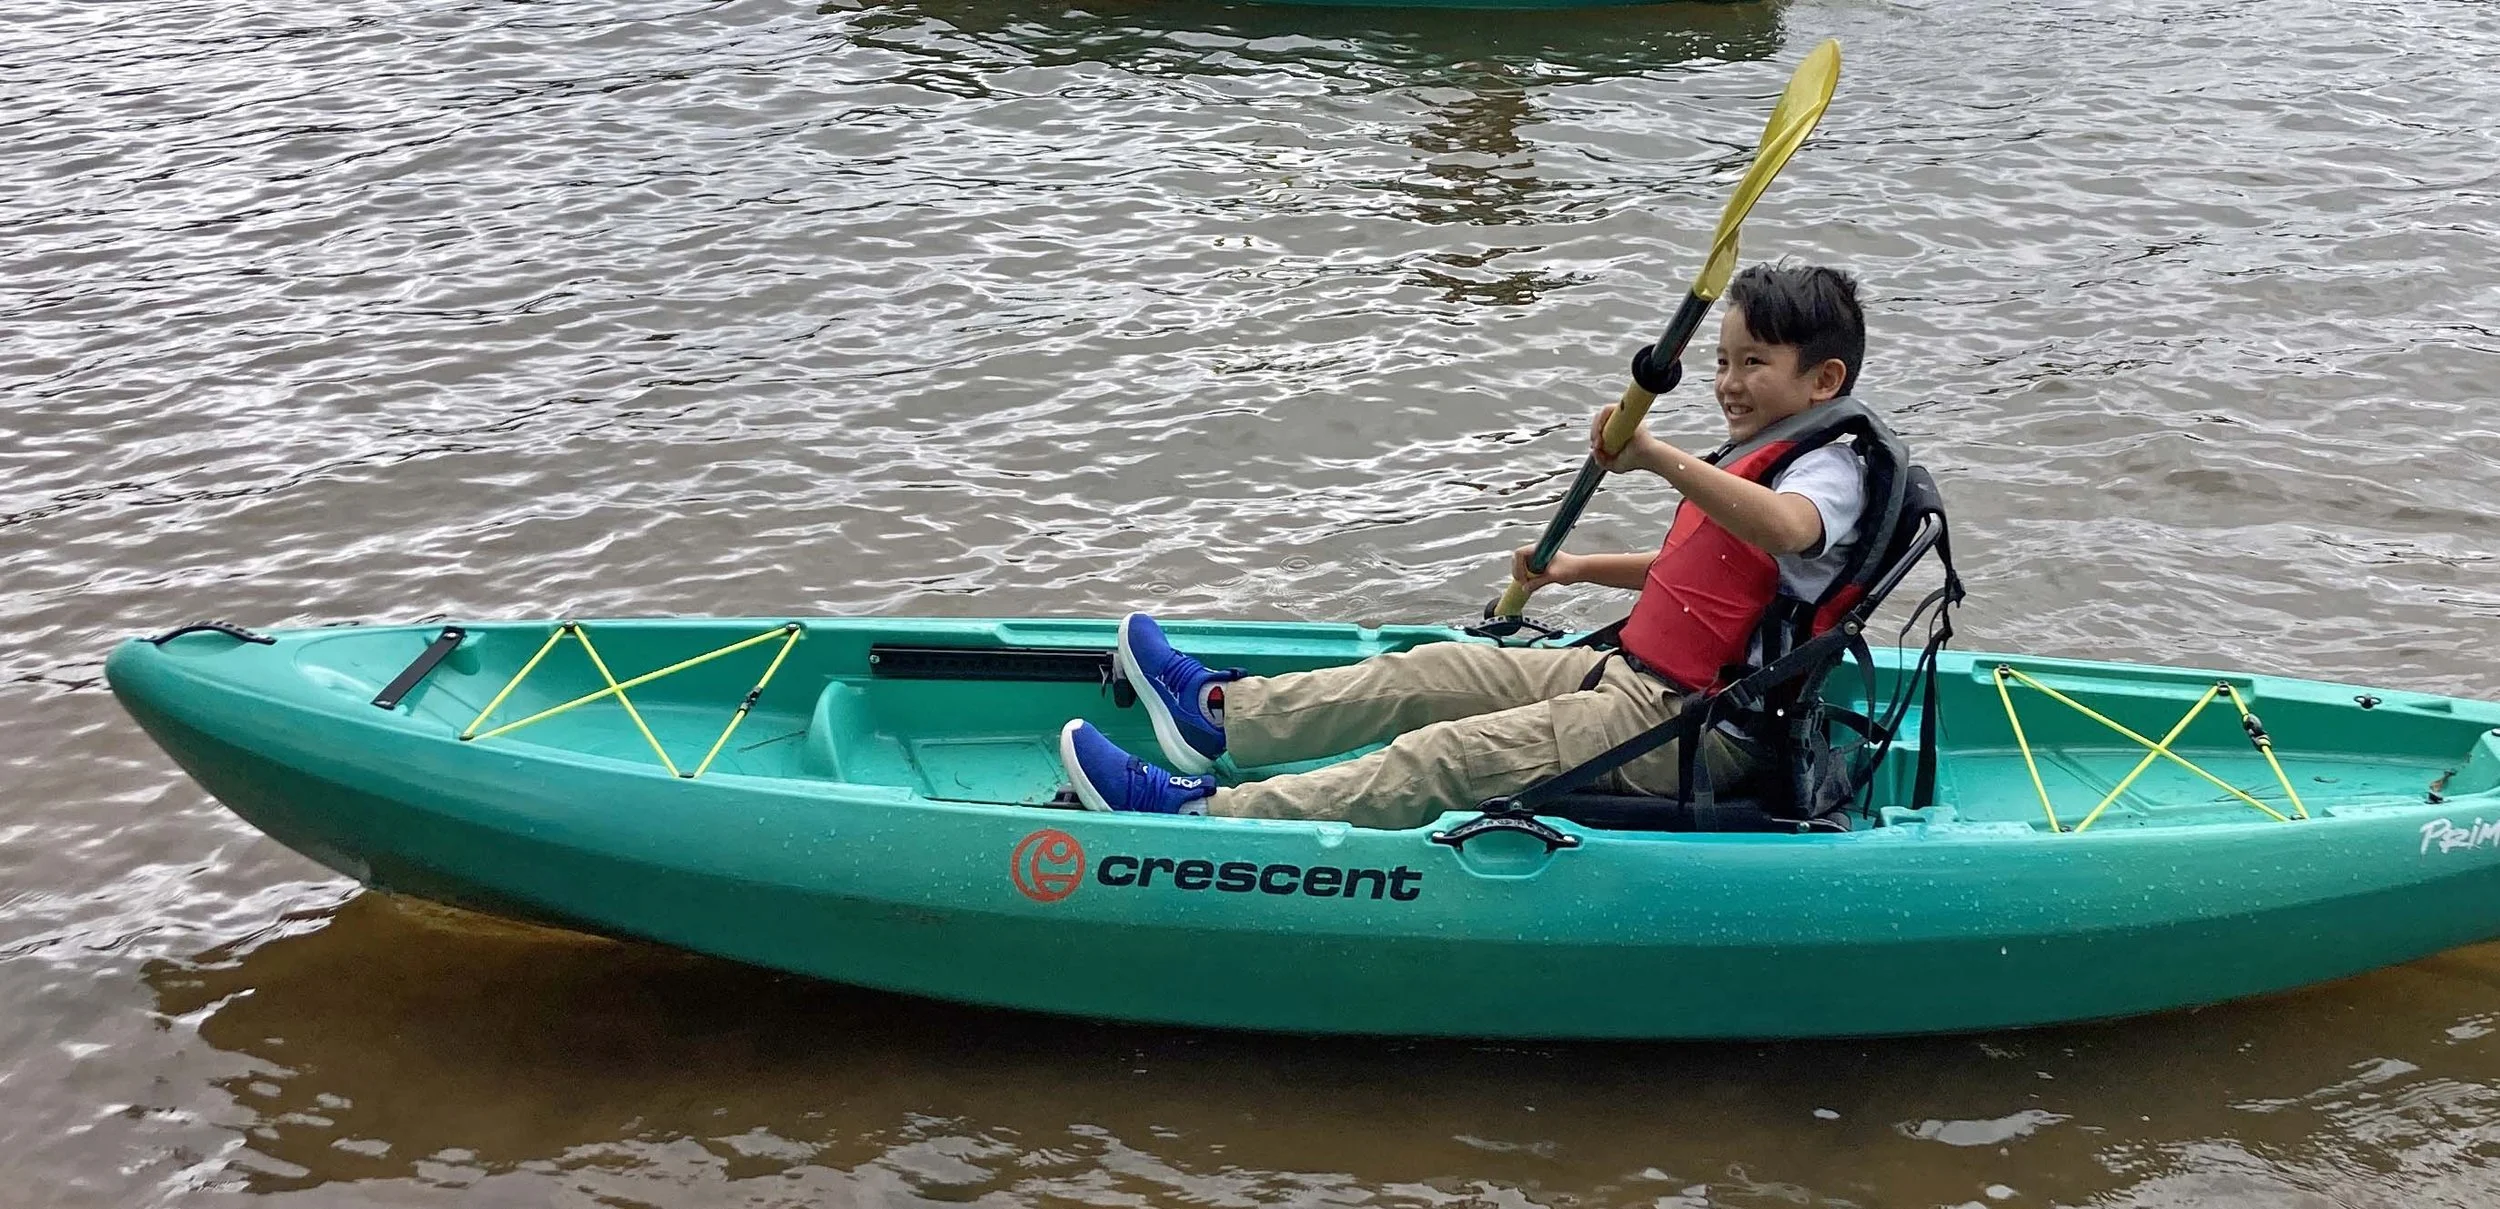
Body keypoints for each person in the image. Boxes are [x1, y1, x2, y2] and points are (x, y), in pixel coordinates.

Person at [1058, 262, 1876, 828]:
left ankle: (1208, 814)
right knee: (1430, 671)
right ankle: (1223, 720)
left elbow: (1786, 529)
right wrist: (1576, 570)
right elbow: (1708, 582)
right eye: (1723, 360)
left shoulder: (1833, 469)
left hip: (1699, 732)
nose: (1729, 382)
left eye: (1754, 363)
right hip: (1637, 679)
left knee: (1446, 755)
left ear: (1824, 380)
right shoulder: (1762, 452)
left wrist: (1658, 457)